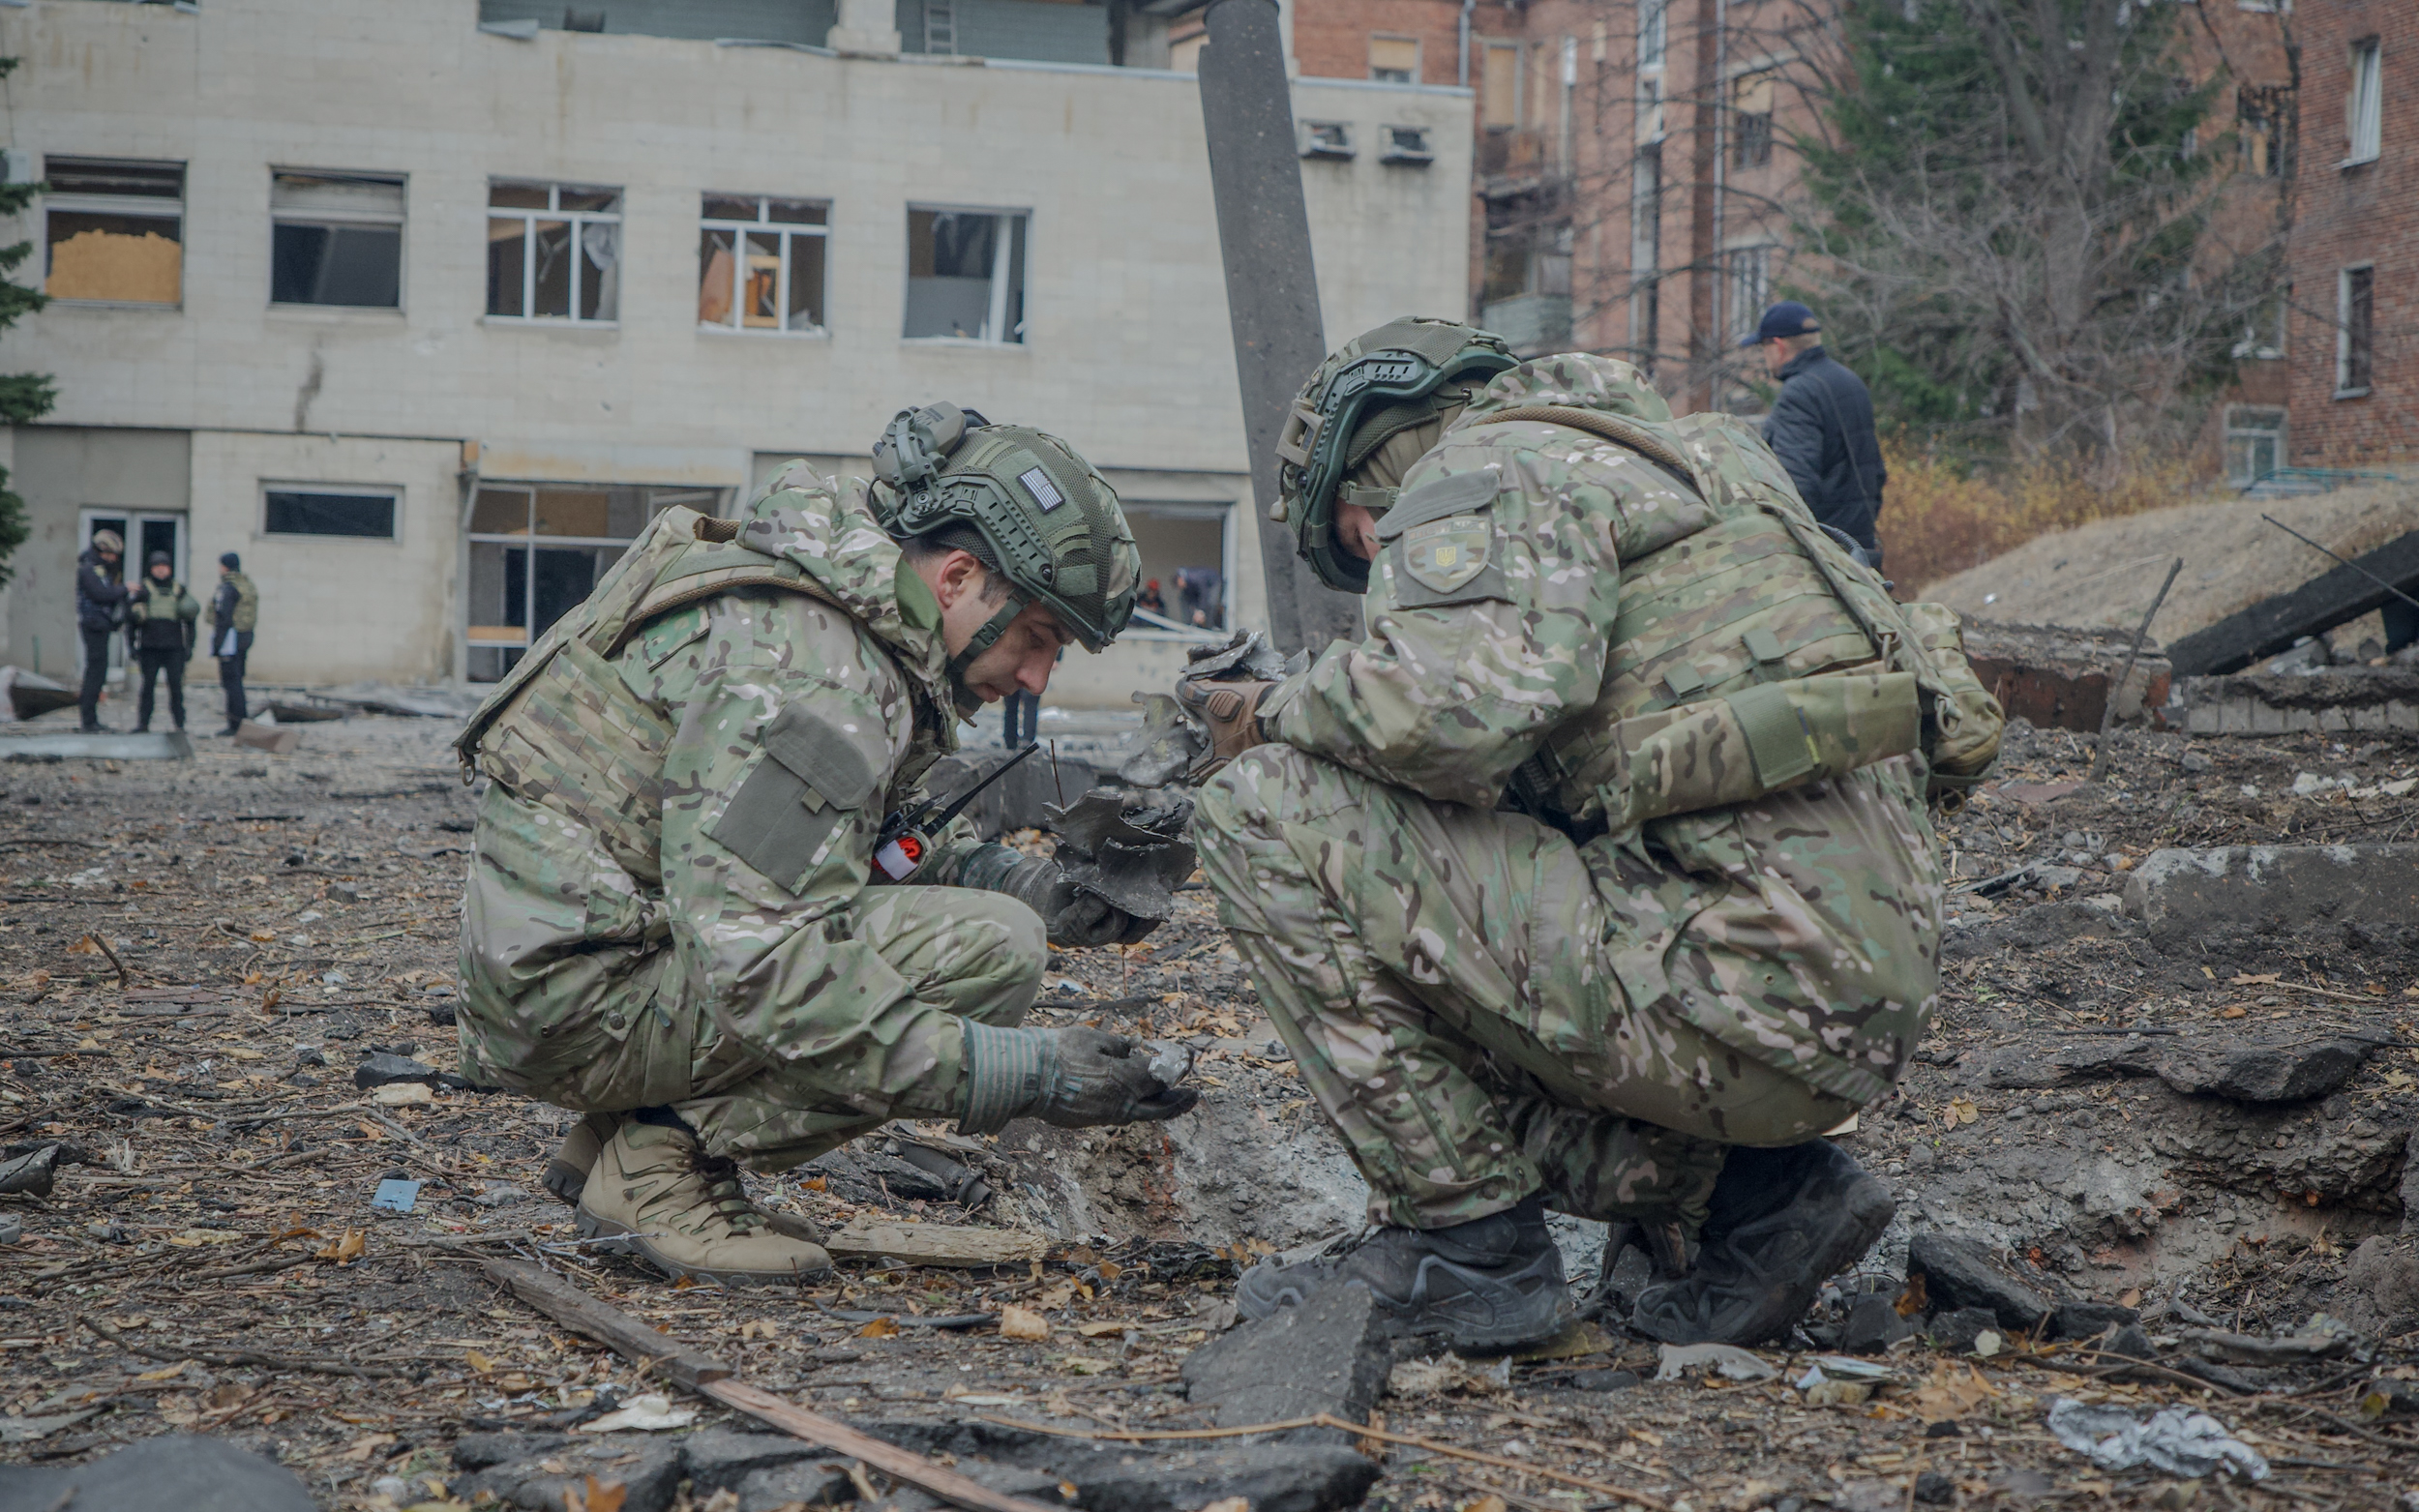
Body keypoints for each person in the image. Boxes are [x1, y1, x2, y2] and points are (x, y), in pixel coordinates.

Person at [1178, 317, 2004, 1350]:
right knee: (1443, 963)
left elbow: (1452, 716)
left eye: (1358, 533)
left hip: (1733, 992)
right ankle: (1764, 1200)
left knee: (1261, 808)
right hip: (1840, 1015)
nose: (1379, 563)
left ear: (1380, 455)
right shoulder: (1712, 460)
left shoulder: (1484, 462)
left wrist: (1269, 711)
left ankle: (1462, 1250)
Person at [454, 403, 1197, 1286]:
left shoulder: (832, 609)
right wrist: (1024, 1073)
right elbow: (762, 965)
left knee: (1012, 918)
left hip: (583, 967)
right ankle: (660, 1167)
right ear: (958, 577)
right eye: (1039, 638)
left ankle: (633, 1130)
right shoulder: (819, 675)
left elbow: (856, 847)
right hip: (577, 1006)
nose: (1036, 677)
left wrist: (1040, 887)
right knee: (995, 952)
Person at [1745, 301, 1888, 566]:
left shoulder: (1798, 393)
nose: (1764, 357)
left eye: (1763, 347)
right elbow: (1876, 471)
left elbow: (1794, 485)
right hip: (1861, 546)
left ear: (1778, 346)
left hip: (1826, 555)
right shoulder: (1850, 380)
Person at [126, 549, 199, 734]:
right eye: (157, 567)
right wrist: (132, 645)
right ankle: (143, 724)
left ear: (170, 569)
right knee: (147, 687)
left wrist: (190, 646)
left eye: (164, 567)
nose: (161, 571)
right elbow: (131, 621)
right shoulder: (143, 590)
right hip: (149, 647)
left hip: (174, 648)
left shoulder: (179, 590)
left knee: (176, 688)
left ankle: (179, 725)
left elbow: (190, 621)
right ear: (151, 569)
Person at [75, 531, 130, 732]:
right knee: (95, 672)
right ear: (103, 550)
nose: (114, 559)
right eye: (113, 554)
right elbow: (100, 594)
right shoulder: (89, 569)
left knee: (99, 672)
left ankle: (91, 720)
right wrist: (124, 589)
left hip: (100, 624)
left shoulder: (99, 569)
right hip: (93, 625)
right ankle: (88, 721)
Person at [210, 551, 259, 736]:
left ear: (225, 566)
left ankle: (236, 724)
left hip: (230, 640)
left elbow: (224, 617)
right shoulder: (246, 584)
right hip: (245, 637)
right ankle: (240, 721)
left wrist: (216, 645)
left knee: (231, 682)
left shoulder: (228, 587)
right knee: (237, 681)